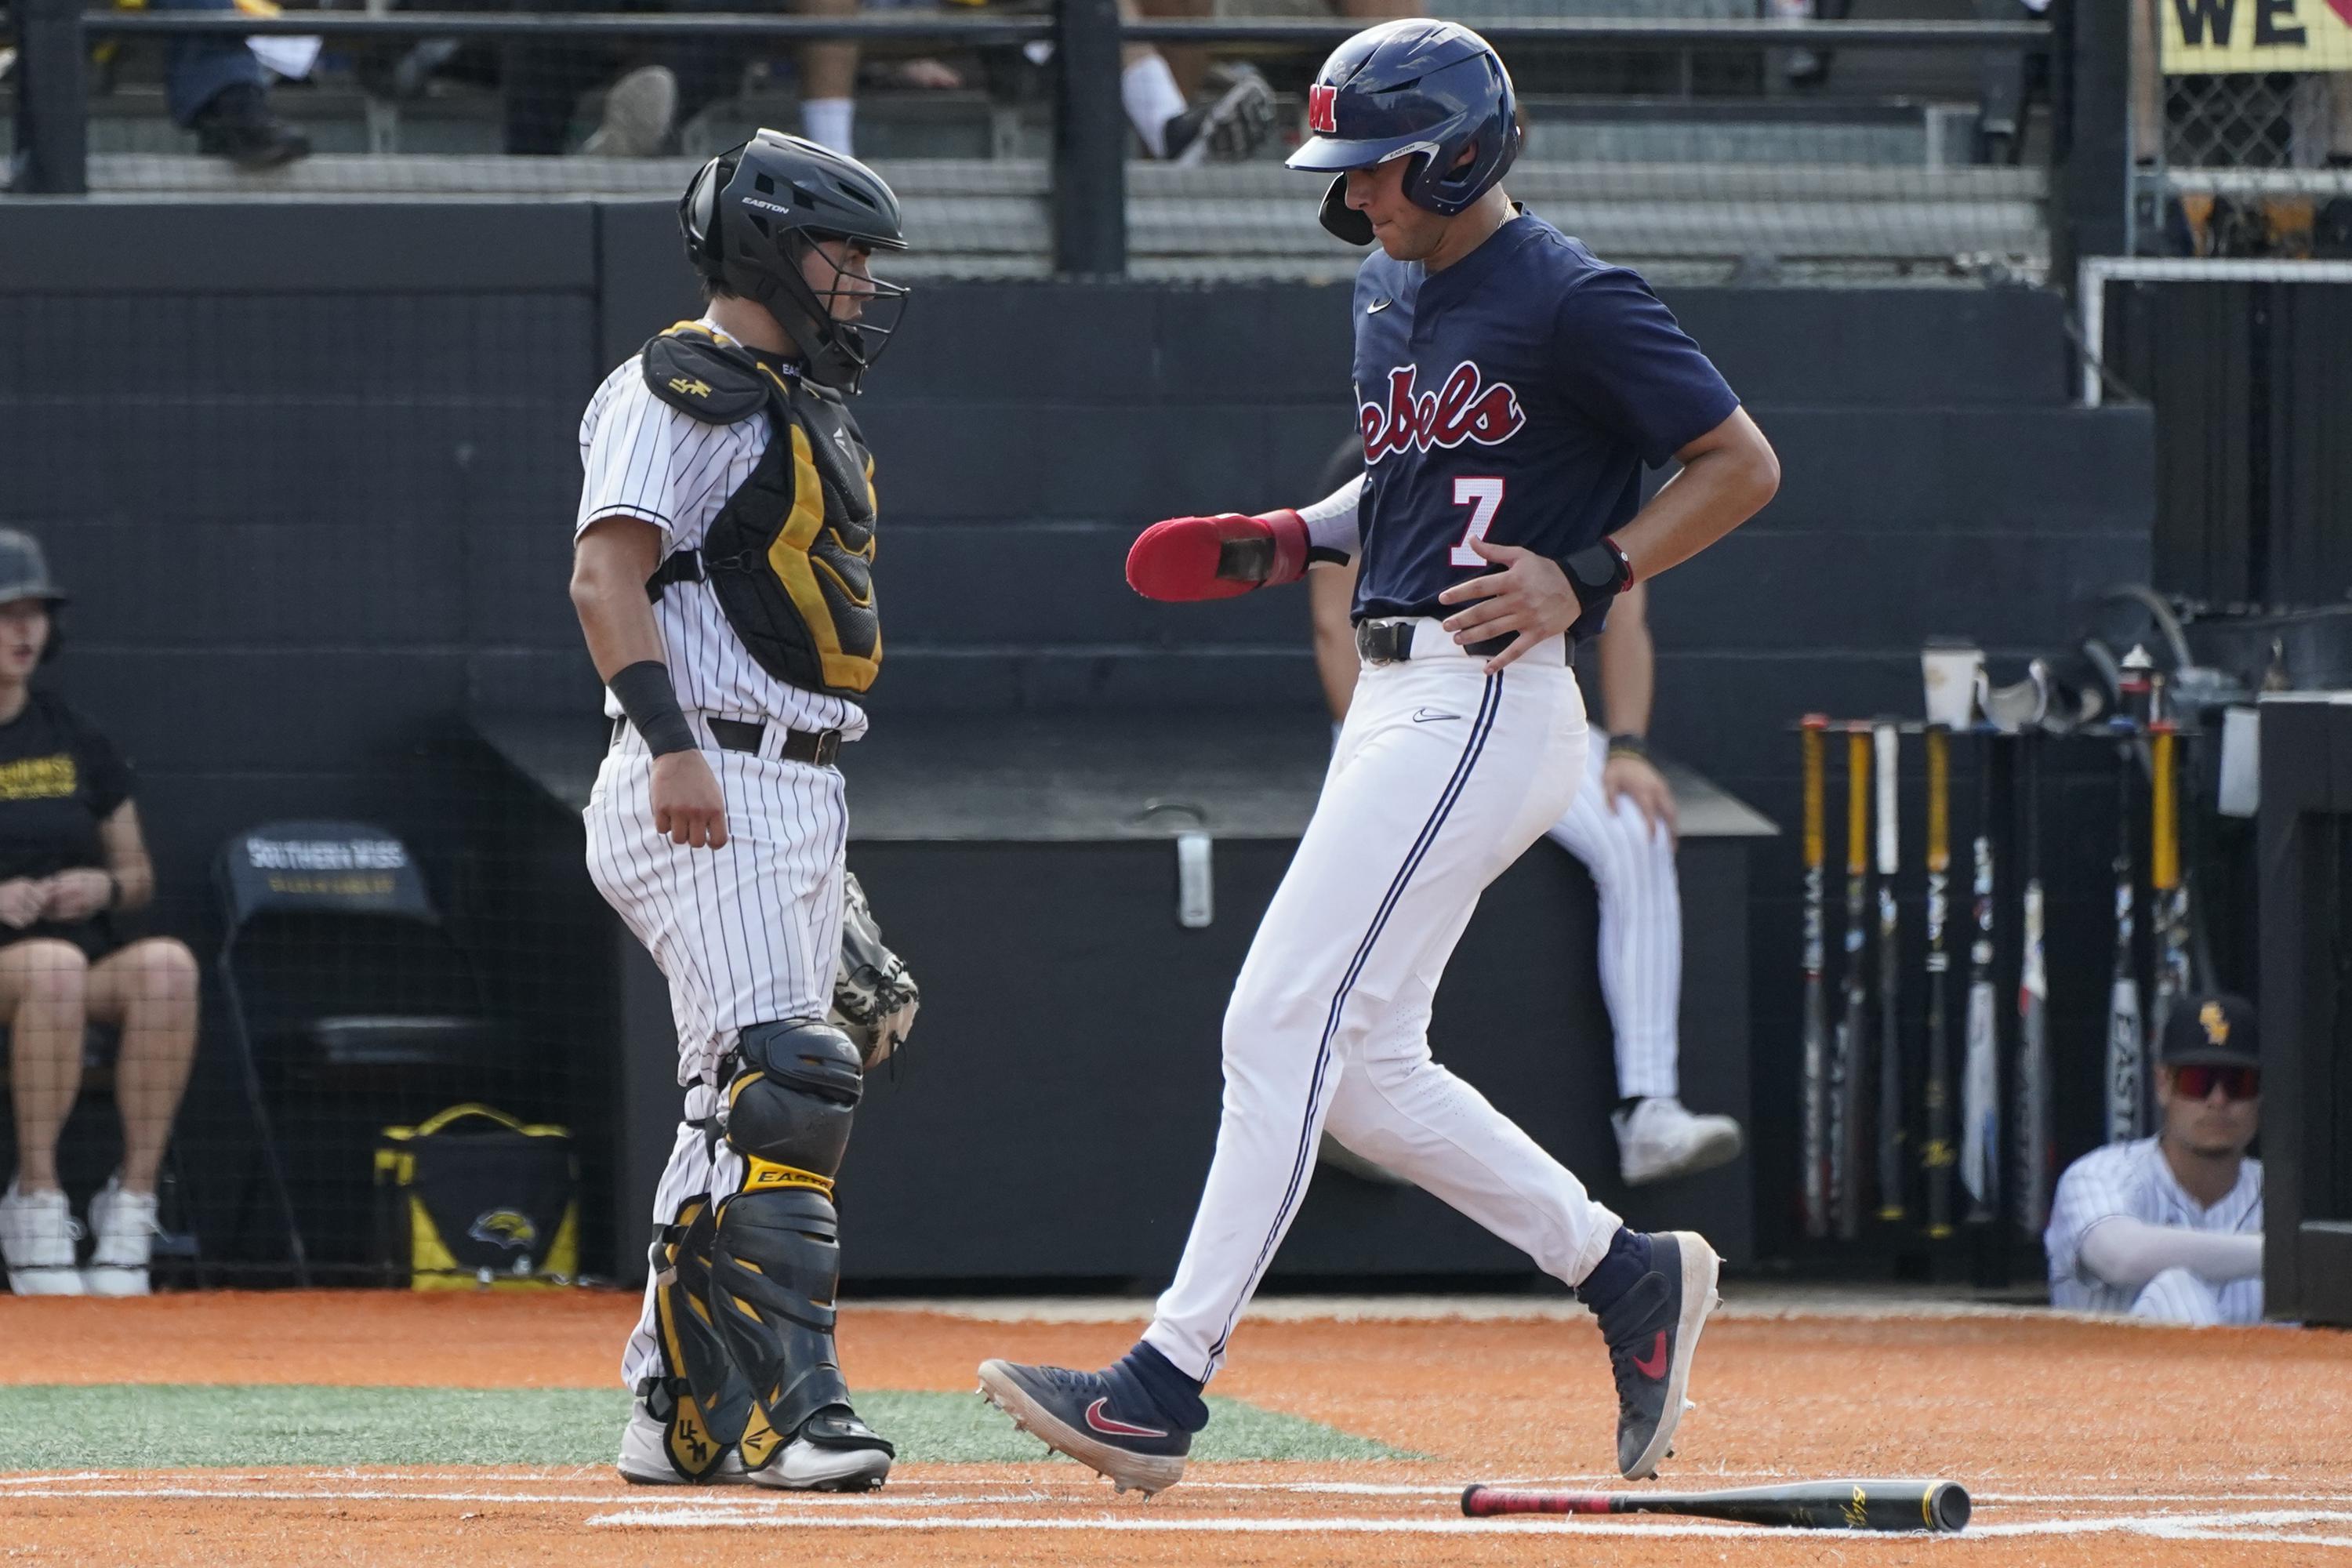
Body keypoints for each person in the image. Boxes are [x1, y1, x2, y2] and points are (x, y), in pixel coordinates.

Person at [975, 20, 1780, 1496]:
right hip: (1405, 701)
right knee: (1362, 1069)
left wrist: (1589, 573)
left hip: (1488, 693)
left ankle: (1162, 1384)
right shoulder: (1385, 284)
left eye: (1379, 171)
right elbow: (1417, 476)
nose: (1356, 199)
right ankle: (1625, 1272)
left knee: (1274, 1021)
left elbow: (1741, 463)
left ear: (1464, 149)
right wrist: (1304, 533)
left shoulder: (1574, 295)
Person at [569, 130, 909, 1491]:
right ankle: (789, 1412)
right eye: (844, 251)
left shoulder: (788, 399)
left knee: (735, 1105)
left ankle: (673, 1408)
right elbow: (607, 578)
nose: (861, 279)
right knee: (791, 1084)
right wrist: (672, 748)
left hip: (790, 784)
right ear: (770, 244)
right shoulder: (675, 389)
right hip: (701, 771)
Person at [1309, 553, 1743, 1187]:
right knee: (1360, 871)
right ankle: (1330, 1107)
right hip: (1395, 708)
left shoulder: (1576, 466)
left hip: (1527, 709)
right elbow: (1331, 623)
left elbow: (1626, 613)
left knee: (1635, 830)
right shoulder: (1371, 462)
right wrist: (1383, 749)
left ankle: (1650, 1110)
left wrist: (1627, 746)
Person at [0, 532, 202, 1298]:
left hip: (73, 960)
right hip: (20, 967)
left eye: (35, 614)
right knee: (53, 968)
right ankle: (36, 1197)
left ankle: (132, 1202)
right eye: (6, 613)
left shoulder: (74, 734)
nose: (24, 630)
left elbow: (138, 874)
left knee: (168, 966)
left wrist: (100, 887)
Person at [2045, 993, 2265, 1327]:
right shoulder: (2099, 1175)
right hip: (2109, 1377)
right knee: (2176, 1290)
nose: (2218, 1100)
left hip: (2263, 1377)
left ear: (2261, 1094)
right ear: (2163, 1085)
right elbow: (2122, 1256)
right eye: (2198, 1082)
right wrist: (2284, 1255)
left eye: (2238, 1083)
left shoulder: (2288, 1197)